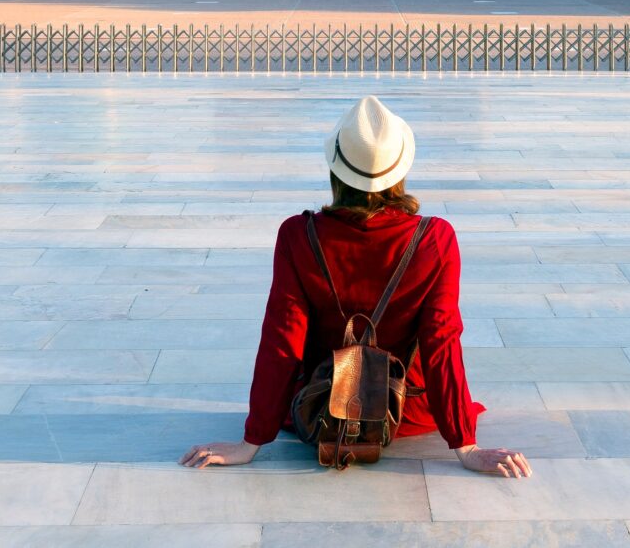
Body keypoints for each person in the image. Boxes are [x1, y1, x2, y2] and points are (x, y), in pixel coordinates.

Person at [181, 96, 531, 478]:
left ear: (336, 169)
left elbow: (283, 341)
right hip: (404, 412)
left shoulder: (299, 235)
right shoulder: (435, 239)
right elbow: (441, 341)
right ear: (400, 170)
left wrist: (252, 441)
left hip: (321, 405)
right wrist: (464, 444)